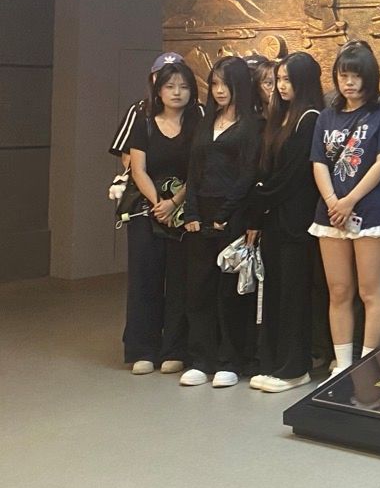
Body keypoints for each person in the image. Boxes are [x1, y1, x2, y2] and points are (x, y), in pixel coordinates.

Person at [310, 42, 380, 377]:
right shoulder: (326, 116)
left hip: (373, 210)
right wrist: (333, 201)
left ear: (369, 77)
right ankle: (343, 364)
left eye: (356, 76)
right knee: (339, 291)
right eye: (343, 75)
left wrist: (349, 200)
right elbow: (319, 162)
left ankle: (367, 363)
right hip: (331, 212)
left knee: (370, 291)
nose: (349, 83)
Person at [181, 56, 263, 388]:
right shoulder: (206, 121)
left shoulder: (253, 124)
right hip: (200, 214)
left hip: (234, 215)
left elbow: (248, 174)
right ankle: (201, 358)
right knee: (198, 288)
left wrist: (224, 214)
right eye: (214, 83)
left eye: (226, 84)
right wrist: (191, 212)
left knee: (229, 290)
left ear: (240, 85)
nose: (219, 90)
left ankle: (231, 359)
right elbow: (193, 170)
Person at [248, 52, 323, 393]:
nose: (281, 86)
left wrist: (260, 197)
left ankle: (295, 367)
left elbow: (293, 176)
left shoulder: (310, 119)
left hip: (296, 221)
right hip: (275, 220)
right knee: (275, 292)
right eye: (279, 79)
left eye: (288, 79)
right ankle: (273, 362)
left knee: (294, 294)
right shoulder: (280, 118)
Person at [122, 58, 200, 376]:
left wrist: (174, 203)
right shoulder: (144, 121)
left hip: (184, 211)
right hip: (146, 210)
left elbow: (199, 169)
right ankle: (143, 349)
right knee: (144, 279)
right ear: (158, 89)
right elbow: (137, 169)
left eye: (183, 86)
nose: (177, 92)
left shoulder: (198, 122)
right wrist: (158, 203)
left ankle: (175, 349)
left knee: (180, 279)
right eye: (170, 86)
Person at [109, 52, 185, 168]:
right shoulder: (139, 110)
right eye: (161, 76)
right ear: (153, 79)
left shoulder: (199, 111)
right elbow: (126, 154)